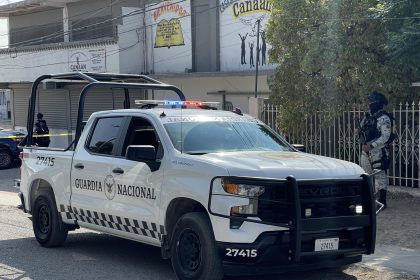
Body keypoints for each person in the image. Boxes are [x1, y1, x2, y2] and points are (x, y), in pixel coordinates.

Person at [358, 91, 394, 209]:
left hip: (378, 151)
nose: (370, 104)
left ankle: (381, 201)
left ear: (378, 103)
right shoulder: (367, 116)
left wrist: (372, 145)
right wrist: (357, 131)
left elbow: (385, 136)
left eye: (372, 101)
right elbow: (361, 129)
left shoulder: (384, 118)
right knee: (366, 175)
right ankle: (369, 200)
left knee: (380, 175)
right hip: (365, 150)